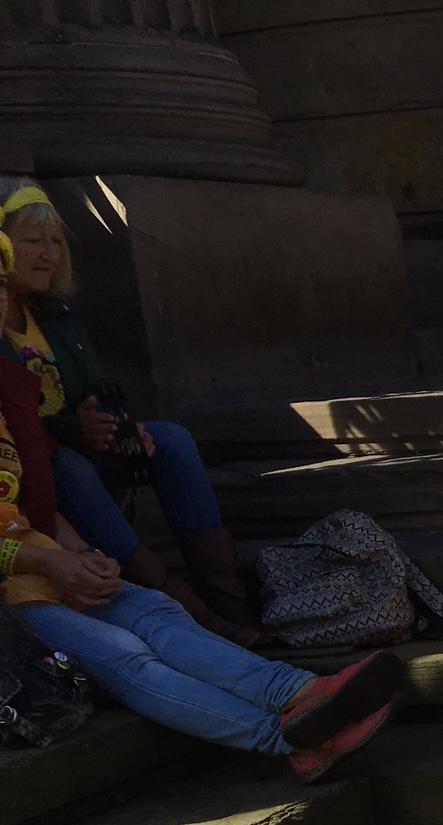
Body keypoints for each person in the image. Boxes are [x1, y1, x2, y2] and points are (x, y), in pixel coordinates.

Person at [0, 238, 399, 779]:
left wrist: (75, 552)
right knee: (125, 653)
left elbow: (30, 497)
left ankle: (302, 692)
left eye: (0, 285)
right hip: (13, 601)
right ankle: (289, 741)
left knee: (157, 613)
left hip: (41, 565)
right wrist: (51, 563)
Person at [0, 180, 261, 644]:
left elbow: (91, 391)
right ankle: (187, 609)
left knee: (172, 439)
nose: (49, 254)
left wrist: (119, 427)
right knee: (70, 466)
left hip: (77, 443)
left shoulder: (57, 315)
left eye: (57, 242)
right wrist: (74, 431)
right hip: (34, 463)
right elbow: (20, 427)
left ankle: (230, 603)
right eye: (33, 241)